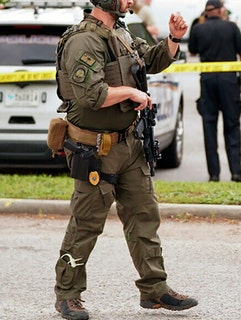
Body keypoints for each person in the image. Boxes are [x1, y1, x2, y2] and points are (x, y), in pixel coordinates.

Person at [53, 1, 197, 319]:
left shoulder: (121, 32)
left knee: (144, 216)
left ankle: (154, 290)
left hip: (130, 145)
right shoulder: (84, 40)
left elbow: (150, 61)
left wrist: (173, 39)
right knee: (86, 224)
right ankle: (67, 295)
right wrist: (131, 94)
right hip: (95, 150)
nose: (131, 2)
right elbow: (91, 94)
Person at [188, 0, 241, 182]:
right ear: (221, 10)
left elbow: (192, 51)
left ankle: (214, 175)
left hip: (207, 80)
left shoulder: (199, 28)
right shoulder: (231, 27)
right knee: (232, 125)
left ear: (206, 12)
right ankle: (236, 172)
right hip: (229, 81)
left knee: (209, 126)